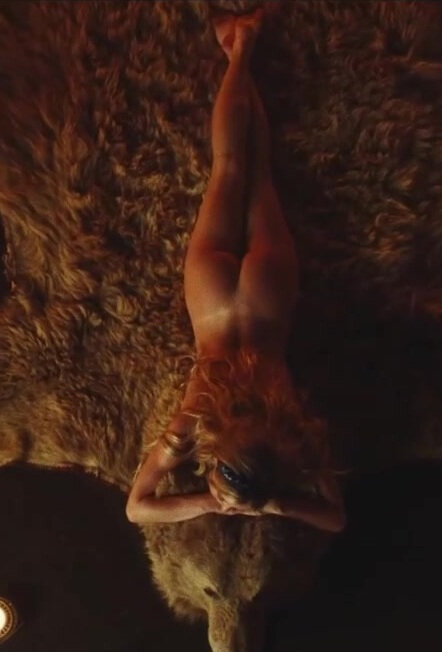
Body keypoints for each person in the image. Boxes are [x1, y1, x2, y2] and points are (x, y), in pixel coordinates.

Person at [125, 8, 345, 534]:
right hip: (213, 298)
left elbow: (337, 519)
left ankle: (241, 51)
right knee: (229, 168)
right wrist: (208, 501)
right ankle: (239, 51)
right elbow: (137, 508)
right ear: (219, 460)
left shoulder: (291, 430)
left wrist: (268, 503)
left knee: (255, 171)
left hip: (267, 296)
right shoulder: (192, 425)